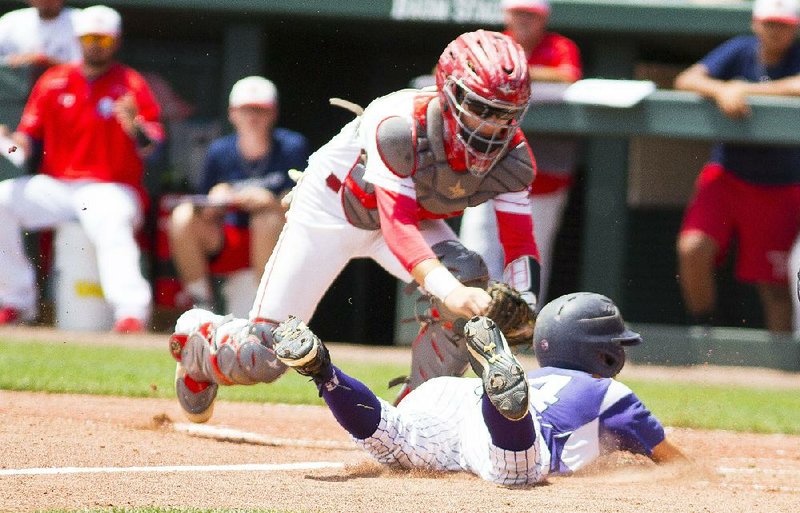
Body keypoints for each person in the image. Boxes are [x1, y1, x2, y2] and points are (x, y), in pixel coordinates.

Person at [167, 30, 542, 423]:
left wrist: (527, 305)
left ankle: (418, 416)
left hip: (409, 221)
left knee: (469, 275)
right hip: (331, 212)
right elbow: (395, 223)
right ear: (447, 94)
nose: (490, 127)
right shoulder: (397, 123)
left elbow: (520, 241)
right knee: (263, 357)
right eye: (479, 107)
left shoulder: (514, 157)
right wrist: (450, 291)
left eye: (505, 114)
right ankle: (200, 342)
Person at [270, 292, 686, 485]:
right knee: (518, 472)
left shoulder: (540, 376)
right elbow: (679, 465)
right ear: (605, 354)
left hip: (451, 396)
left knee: (391, 439)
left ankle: (324, 372)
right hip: (503, 430)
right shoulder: (612, 396)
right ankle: (502, 404)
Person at [0, 5, 164, 332]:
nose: (95, 45)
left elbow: (154, 145)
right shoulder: (53, 81)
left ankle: (131, 312)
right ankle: (16, 301)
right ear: (78, 39)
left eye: (102, 39)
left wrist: (134, 125)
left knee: (112, 220)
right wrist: (9, 142)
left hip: (111, 187)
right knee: (2, 199)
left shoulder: (131, 83)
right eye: (89, 38)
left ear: (115, 41)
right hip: (59, 187)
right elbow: (25, 143)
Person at [674, 0, 800, 332]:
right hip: (728, 174)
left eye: (783, 25)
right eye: (769, 23)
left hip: (781, 184)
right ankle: (705, 333)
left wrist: (748, 90)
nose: (775, 31)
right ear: (756, 24)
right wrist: (721, 90)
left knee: (776, 284)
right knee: (693, 248)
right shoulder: (740, 50)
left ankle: (779, 371)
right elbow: (686, 79)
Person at [459, 0, 582, 306]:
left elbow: (568, 75)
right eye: (519, 12)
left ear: (544, 17)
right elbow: (449, 71)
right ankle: (472, 322)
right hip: (486, 172)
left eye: (532, 13)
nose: (525, 19)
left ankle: (521, 328)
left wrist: (508, 73)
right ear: (506, 13)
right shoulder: (492, 43)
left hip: (543, 176)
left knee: (529, 260)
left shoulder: (559, 46)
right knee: (476, 251)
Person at [168, 76, 310, 315]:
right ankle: (201, 304)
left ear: (273, 113)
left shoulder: (291, 146)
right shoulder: (220, 151)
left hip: (274, 243)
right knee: (182, 216)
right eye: (245, 110)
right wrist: (216, 201)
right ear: (233, 114)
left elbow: (306, 198)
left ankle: (267, 306)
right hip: (229, 239)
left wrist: (272, 202)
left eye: (260, 110)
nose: (252, 118)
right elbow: (203, 206)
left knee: (265, 219)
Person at [0, 0, 81, 68]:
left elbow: (87, 69)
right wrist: (10, 61)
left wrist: (43, 61)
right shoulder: (11, 20)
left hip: (65, 84)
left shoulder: (82, 20)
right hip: (19, 84)